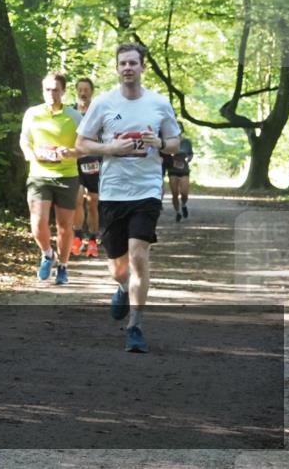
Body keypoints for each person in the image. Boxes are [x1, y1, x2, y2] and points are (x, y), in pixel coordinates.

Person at [75, 42, 180, 353]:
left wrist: (159, 141)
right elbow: (82, 143)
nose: (128, 68)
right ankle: (122, 287)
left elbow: (174, 142)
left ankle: (135, 325)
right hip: (112, 192)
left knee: (138, 255)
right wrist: (111, 149)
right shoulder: (104, 103)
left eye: (133, 63)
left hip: (146, 190)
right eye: (123, 63)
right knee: (118, 267)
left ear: (142, 67)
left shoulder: (159, 103)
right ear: (117, 68)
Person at [20, 72, 82, 285]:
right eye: (48, 89)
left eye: (56, 89)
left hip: (66, 175)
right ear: (42, 91)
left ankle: (63, 266)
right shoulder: (32, 113)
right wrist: (30, 154)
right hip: (39, 174)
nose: (52, 94)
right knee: (38, 222)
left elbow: (86, 145)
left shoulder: (74, 117)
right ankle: (47, 254)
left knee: (65, 225)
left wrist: (71, 152)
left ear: (63, 91)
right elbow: (24, 140)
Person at [72, 77, 101, 258]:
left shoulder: (98, 112)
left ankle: (92, 240)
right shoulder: (71, 112)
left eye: (86, 89)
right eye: (80, 89)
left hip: (93, 162)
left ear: (92, 91)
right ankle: (76, 238)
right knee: (77, 201)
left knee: (92, 203)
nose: (83, 93)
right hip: (75, 161)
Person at [162, 124, 194, 222]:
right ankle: (178, 212)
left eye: (179, 128)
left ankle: (183, 205)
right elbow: (164, 153)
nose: (178, 130)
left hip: (184, 169)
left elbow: (190, 153)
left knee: (184, 193)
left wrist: (189, 158)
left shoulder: (186, 142)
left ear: (182, 130)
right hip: (172, 170)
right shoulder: (168, 141)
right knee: (175, 193)